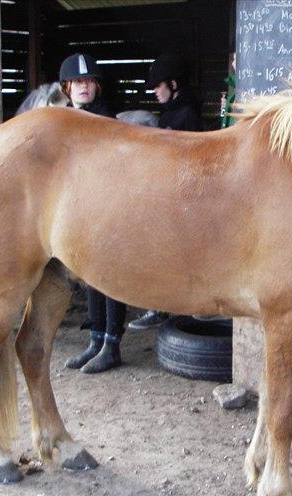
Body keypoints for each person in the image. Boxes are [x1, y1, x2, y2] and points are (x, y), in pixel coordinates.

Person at [58, 53, 127, 373]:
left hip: (107, 208)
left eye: (88, 81)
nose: (83, 86)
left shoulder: (106, 120)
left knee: (112, 275)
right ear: (67, 88)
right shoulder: (61, 120)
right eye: (78, 82)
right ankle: (95, 340)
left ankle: (112, 343)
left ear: (96, 86)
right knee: (91, 277)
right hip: (79, 210)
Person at [128, 53, 203, 330]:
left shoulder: (187, 115)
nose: (155, 91)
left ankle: (164, 305)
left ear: (173, 83)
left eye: (158, 85)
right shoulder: (173, 113)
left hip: (181, 194)